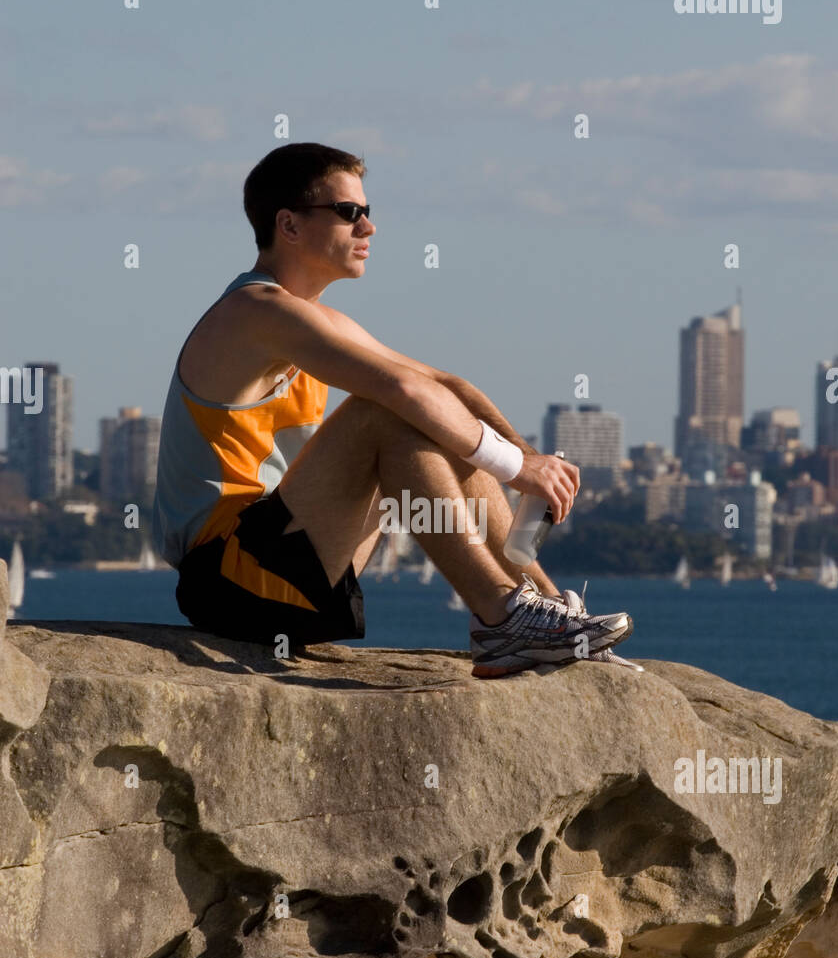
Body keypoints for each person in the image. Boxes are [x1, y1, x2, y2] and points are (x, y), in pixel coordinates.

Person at [153, 142, 638, 677]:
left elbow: (445, 384)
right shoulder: (254, 311)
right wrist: (519, 469)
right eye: (349, 212)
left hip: (287, 563)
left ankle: (550, 620)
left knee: (436, 416)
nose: (369, 228)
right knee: (384, 412)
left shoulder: (312, 319)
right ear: (288, 226)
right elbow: (403, 393)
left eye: (368, 211)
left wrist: (524, 455)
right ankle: (502, 618)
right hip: (226, 574)